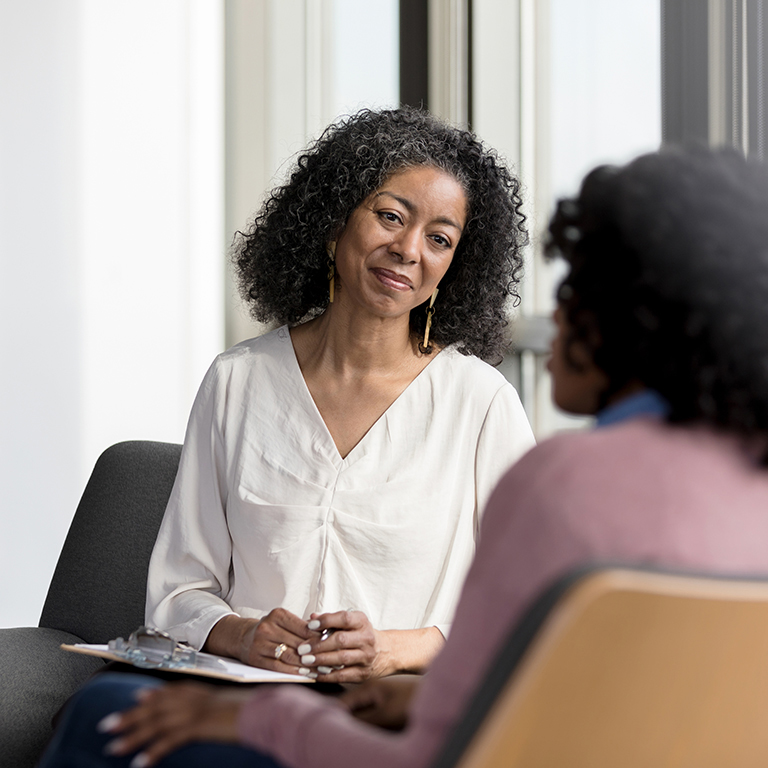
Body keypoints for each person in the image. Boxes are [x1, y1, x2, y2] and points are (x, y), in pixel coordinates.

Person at [42, 145, 768, 768]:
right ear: (333, 226)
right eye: (390, 216)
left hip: (399, 740)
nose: (552, 321)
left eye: (575, 291)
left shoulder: (556, 472)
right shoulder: (750, 493)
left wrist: (268, 713)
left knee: (103, 716)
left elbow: (454, 735)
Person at [143, 107, 535, 684]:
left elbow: (529, 603)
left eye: (439, 239)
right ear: (332, 224)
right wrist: (242, 634)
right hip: (241, 696)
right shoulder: (237, 382)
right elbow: (179, 590)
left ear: (454, 266)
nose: (408, 249)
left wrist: (395, 650)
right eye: (389, 216)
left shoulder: (481, 405)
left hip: (394, 709)